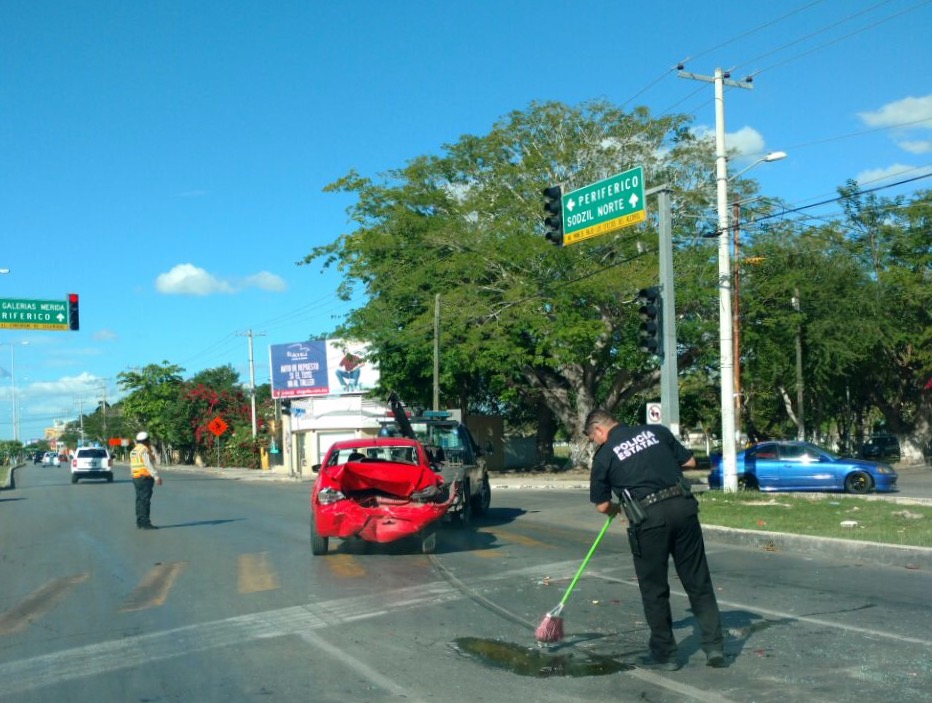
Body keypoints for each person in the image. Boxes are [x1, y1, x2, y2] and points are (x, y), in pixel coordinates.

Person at [585, 408, 725, 671]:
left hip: (648, 520)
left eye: (593, 438)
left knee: (655, 589)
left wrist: (619, 510)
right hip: (683, 509)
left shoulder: (604, 456)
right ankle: (715, 647)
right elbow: (690, 463)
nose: (595, 443)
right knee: (697, 580)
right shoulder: (655, 431)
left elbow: (603, 506)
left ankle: (666, 655)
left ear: (599, 430)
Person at [131, 431, 163, 530]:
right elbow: (148, 464)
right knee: (145, 501)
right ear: (146, 441)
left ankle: (140, 521)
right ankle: (146, 523)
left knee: (139, 500)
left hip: (136, 478)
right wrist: (156, 477)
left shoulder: (134, 450)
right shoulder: (144, 449)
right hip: (144, 478)